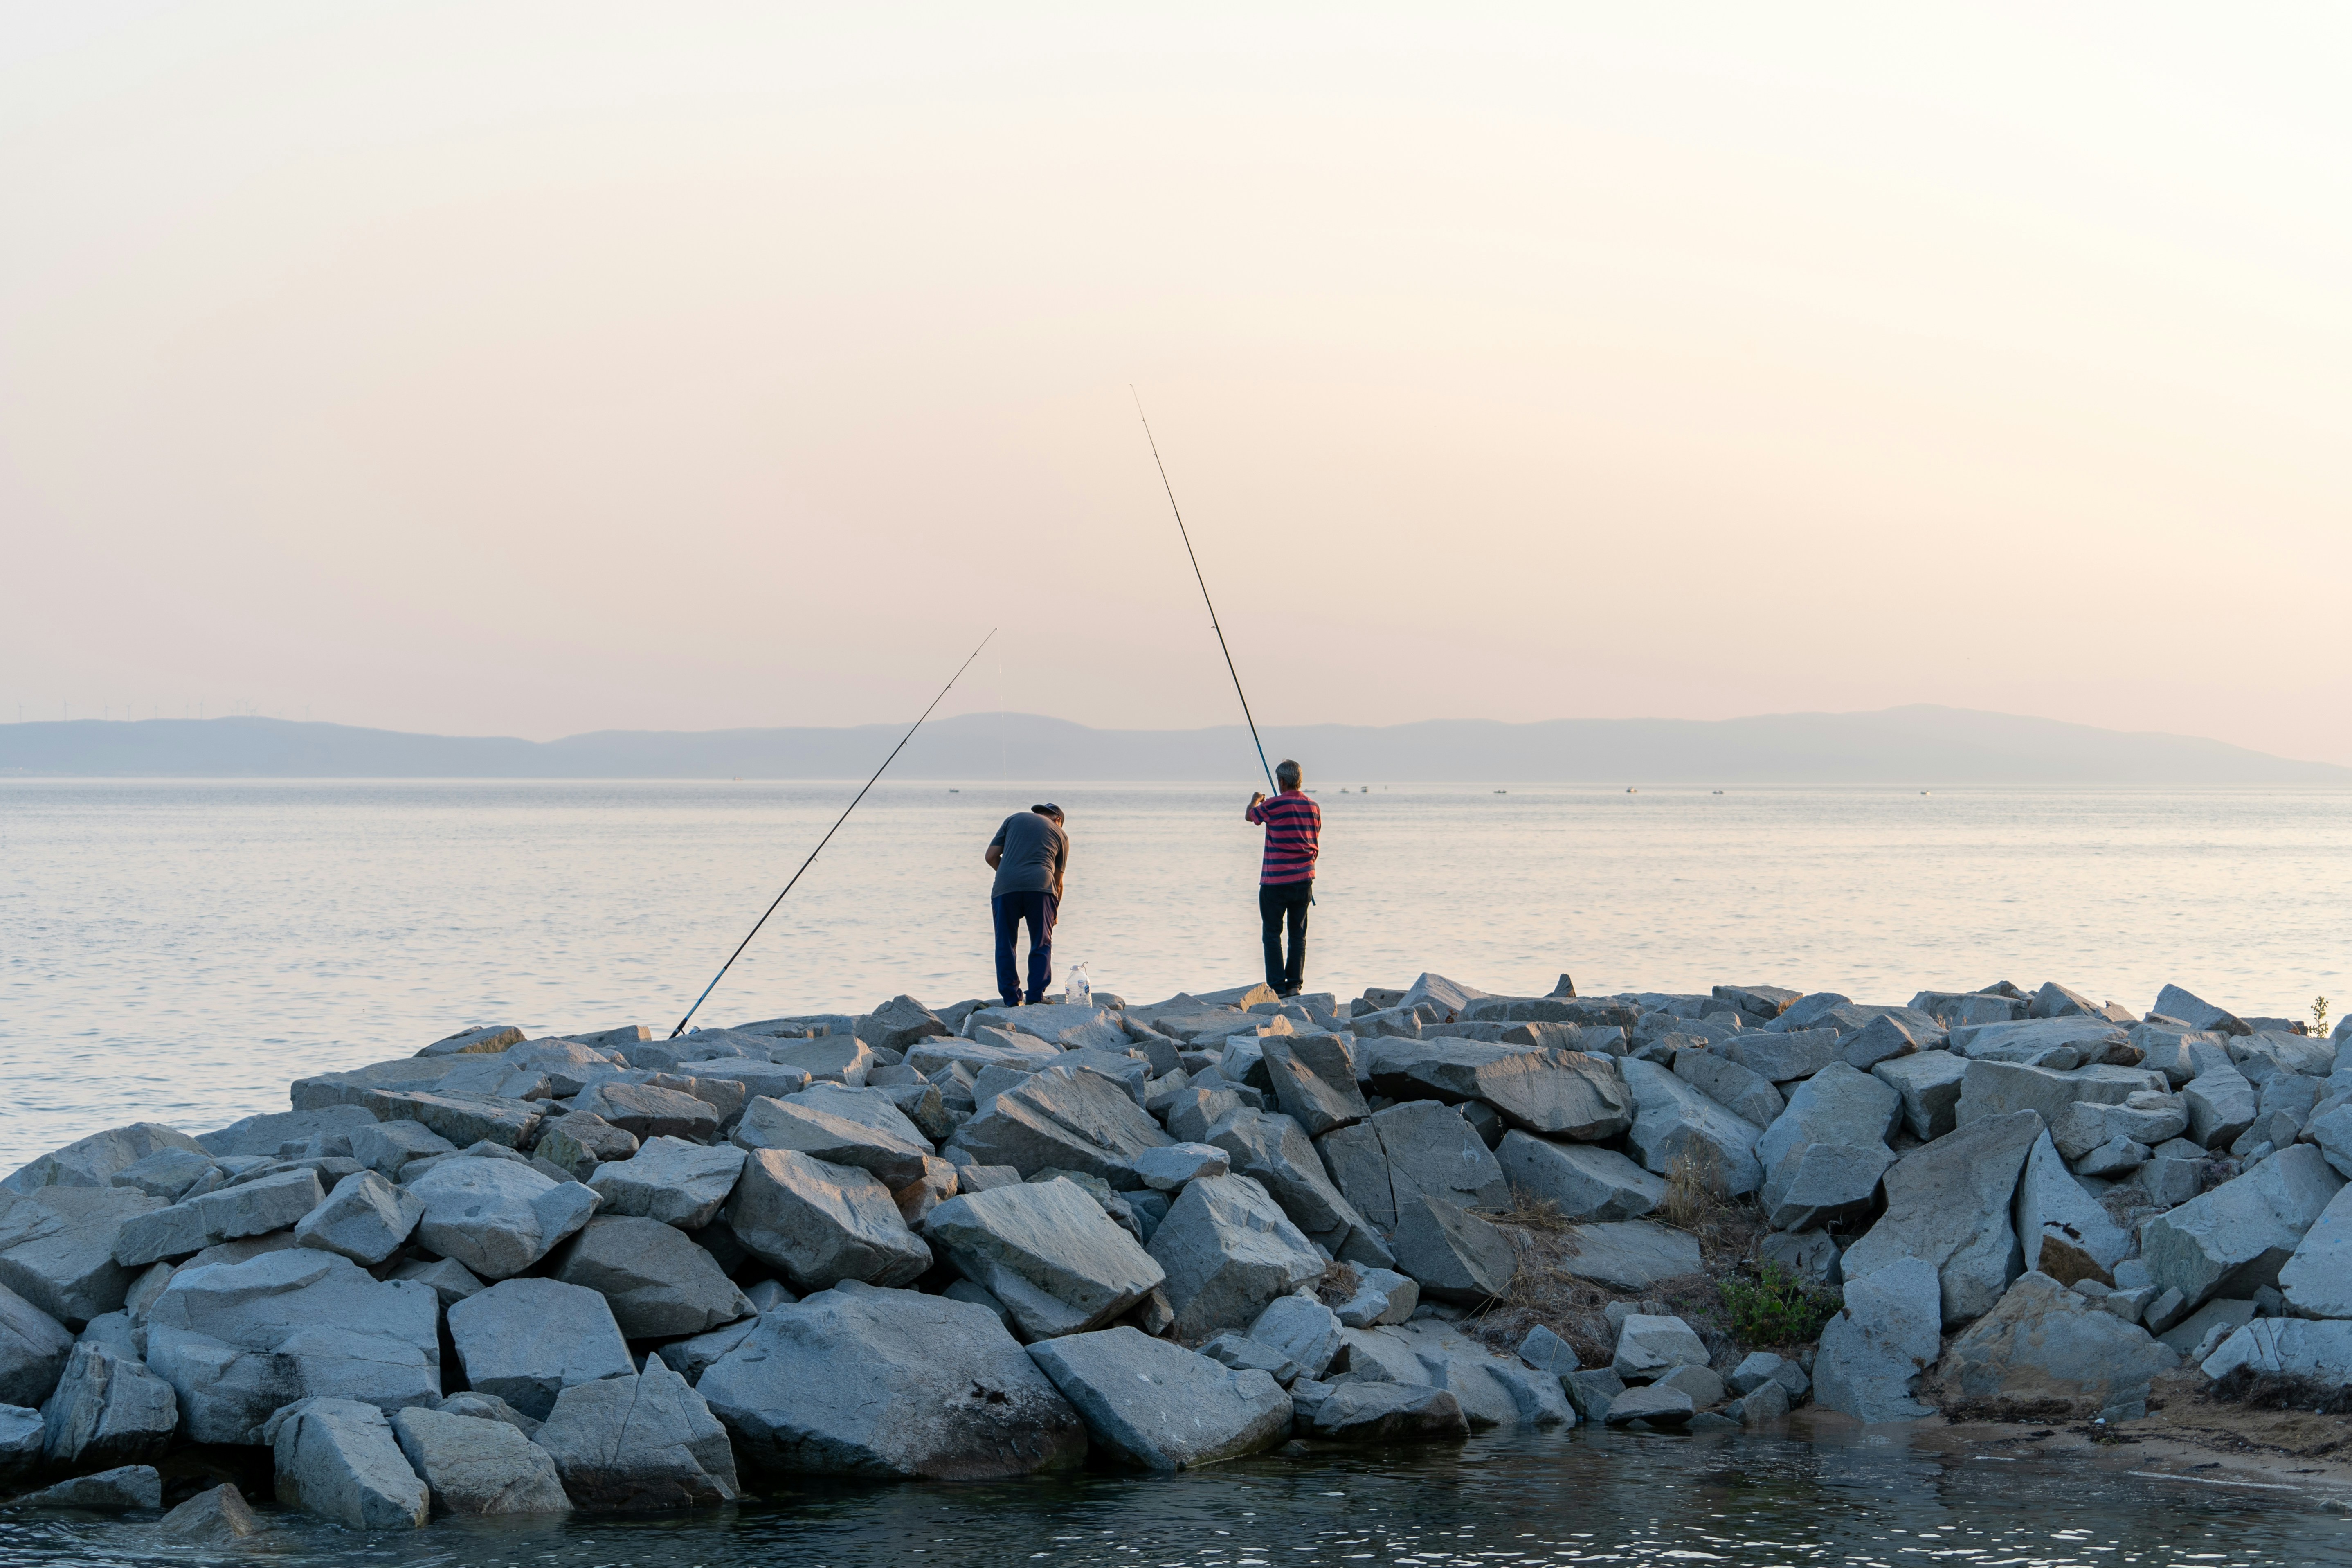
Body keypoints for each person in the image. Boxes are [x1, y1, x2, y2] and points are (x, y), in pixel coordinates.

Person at [1245, 759, 1320, 997]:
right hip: (1304, 880)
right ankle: (1294, 986)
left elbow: (1250, 816)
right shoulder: (1314, 807)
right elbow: (1314, 837)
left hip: (1275, 882)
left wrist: (1256, 799)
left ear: (1283, 782)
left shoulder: (1274, 805)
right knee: (1298, 935)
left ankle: (1277, 988)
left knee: (1272, 934)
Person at [985, 803, 1068, 1007]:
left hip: (1005, 888)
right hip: (1041, 888)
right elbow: (1058, 879)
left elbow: (990, 857)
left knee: (1005, 944)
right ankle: (1036, 997)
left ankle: (1012, 1000)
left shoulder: (1013, 819)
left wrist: (1010, 874)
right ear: (1058, 820)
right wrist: (1054, 912)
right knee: (1041, 943)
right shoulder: (1061, 834)